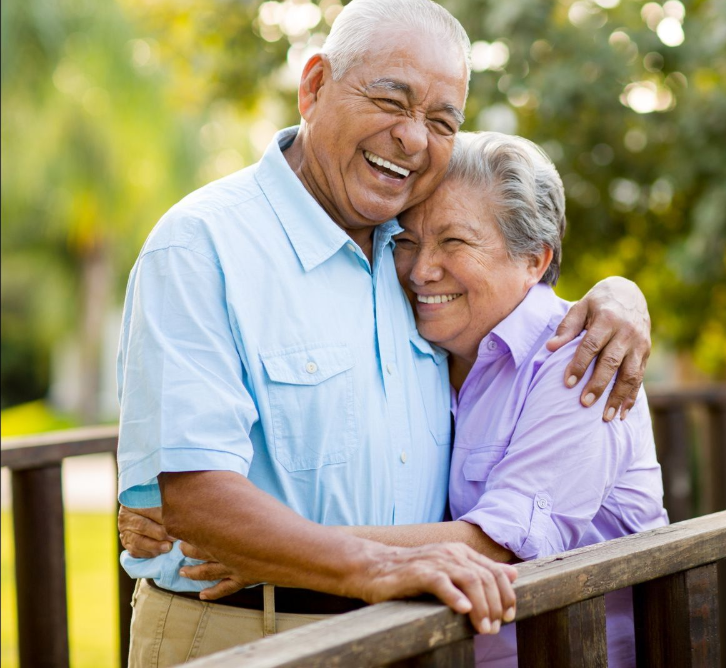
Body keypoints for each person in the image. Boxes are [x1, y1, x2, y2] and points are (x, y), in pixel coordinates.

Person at [117, 0, 652, 666]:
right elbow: (196, 502)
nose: (413, 136)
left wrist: (619, 296)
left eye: (441, 119)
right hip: (246, 635)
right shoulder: (202, 245)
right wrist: (361, 564)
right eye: (392, 101)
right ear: (314, 86)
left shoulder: (408, 257)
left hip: (413, 636)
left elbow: (509, 283)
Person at [174, 132, 668, 666]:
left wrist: (274, 549)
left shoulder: (581, 359)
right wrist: (199, 510)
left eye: (454, 243)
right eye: (406, 242)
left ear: (534, 259)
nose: (420, 270)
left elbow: (495, 543)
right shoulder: (424, 348)